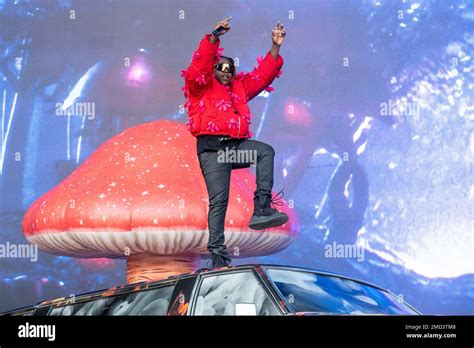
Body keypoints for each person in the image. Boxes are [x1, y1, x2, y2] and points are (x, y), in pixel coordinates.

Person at [181, 17, 288, 269]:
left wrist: (275, 47)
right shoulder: (201, 87)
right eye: (221, 68)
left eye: (230, 70)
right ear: (214, 70)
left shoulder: (240, 88)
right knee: (219, 201)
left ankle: (261, 209)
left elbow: (262, 76)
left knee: (265, 152)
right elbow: (199, 68)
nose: (226, 73)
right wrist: (213, 36)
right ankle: (218, 257)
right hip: (212, 151)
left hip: (234, 149)